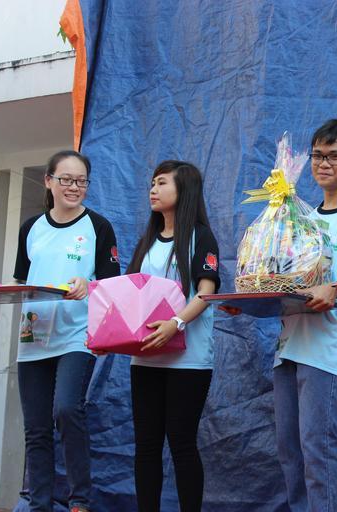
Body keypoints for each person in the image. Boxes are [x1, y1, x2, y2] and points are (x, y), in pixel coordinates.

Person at [272, 119, 337, 511]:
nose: (323, 163)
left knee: (317, 445)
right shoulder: (301, 219)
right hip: (289, 344)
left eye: (334, 156)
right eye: (317, 155)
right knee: (288, 448)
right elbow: (284, 277)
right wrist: (253, 298)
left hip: (330, 346)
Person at [13, 150, 120, 512]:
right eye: (66, 180)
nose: (74, 187)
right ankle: (40, 504)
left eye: (81, 181)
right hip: (33, 337)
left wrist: (88, 285)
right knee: (36, 428)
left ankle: (79, 500)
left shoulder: (98, 227)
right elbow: (20, 283)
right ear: (49, 181)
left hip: (77, 336)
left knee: (67, 410)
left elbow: (111, 285)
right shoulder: (31, 228)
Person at [126, 160, 221, 512]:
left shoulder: (201, 237)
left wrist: (175, 324)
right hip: (145, 359)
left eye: (162, 183)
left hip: (189, 360)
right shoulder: (147, 241)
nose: (153, 189)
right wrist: (110, 338)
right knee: (146, 446)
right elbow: (129, 295)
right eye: (152, 183)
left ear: (185, 190)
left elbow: (206, 293)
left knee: (181, 443)